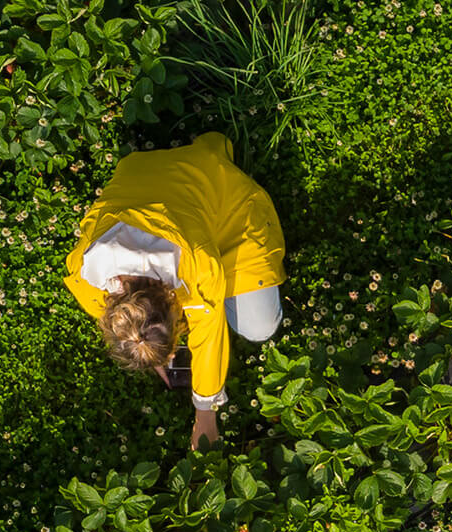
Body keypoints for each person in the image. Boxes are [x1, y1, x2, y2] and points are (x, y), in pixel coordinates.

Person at [62, 131, 288, 450]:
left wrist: (205, 414)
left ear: (172, 302)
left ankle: (213, 152)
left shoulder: (198, 264)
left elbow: (209, 336)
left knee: (259, 327)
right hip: (145, 172)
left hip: (230, 210)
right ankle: (201, 147)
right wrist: (150, 350)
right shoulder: (84, 278)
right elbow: (131, 322)